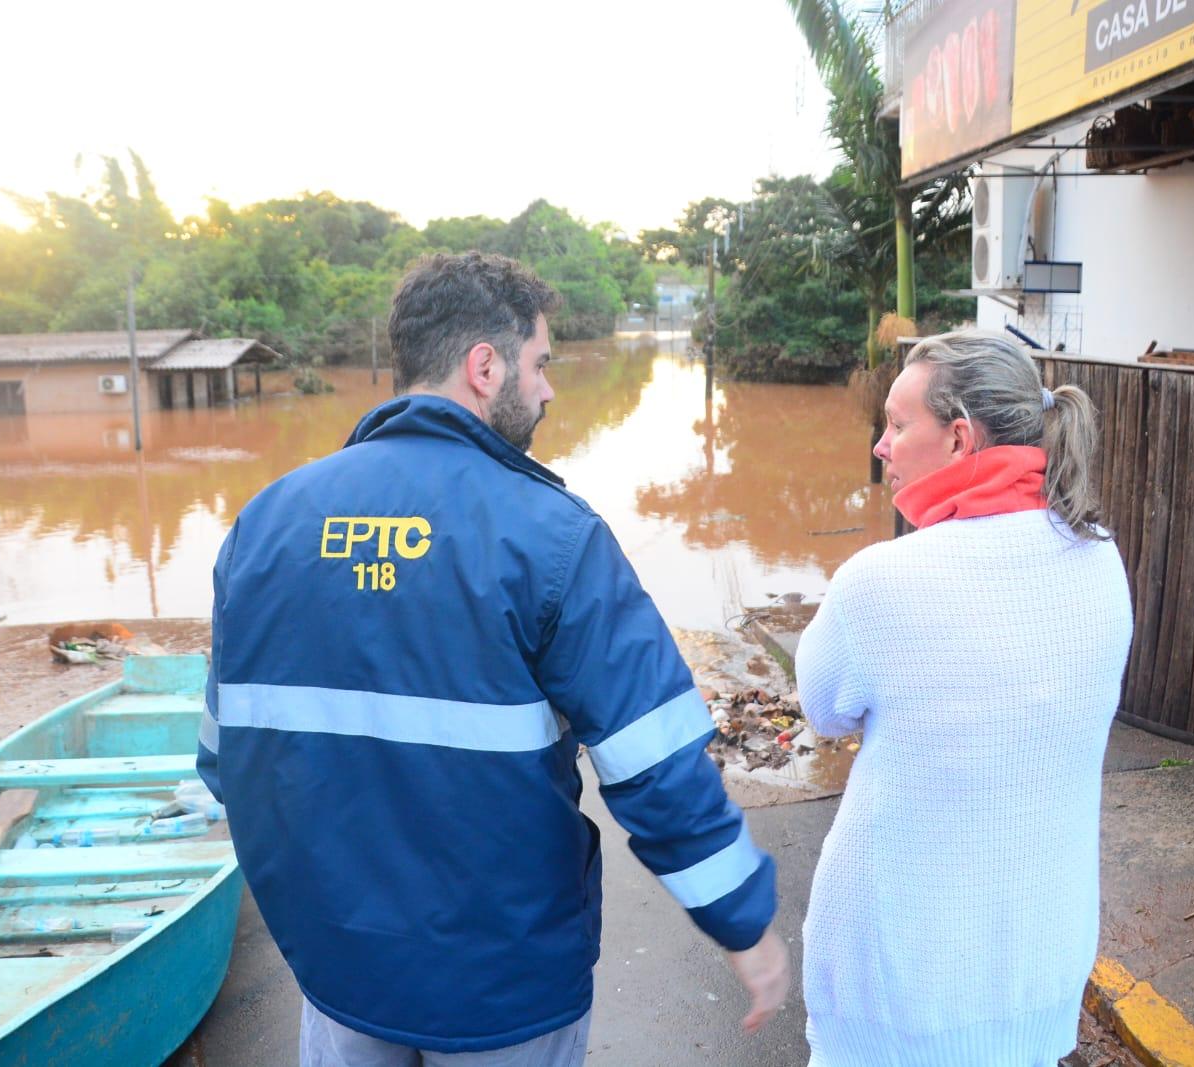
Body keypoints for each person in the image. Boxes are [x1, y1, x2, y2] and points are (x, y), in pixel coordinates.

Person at [197, 252, 789, 1066]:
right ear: (485, 366)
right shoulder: (553, 537)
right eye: (540, 363)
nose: (548, 388)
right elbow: (655, 764)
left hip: (338, 972)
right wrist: (741, 920)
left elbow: (224, 757)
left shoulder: (265, 524)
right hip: (503, 991)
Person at [795, 330, 1134, 1066]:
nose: (880, 445)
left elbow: (823, 707)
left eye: (896, 423)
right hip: (1036, 971)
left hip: (897, 989)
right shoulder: (1101, 559)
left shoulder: (879, 581)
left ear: (957, 438)